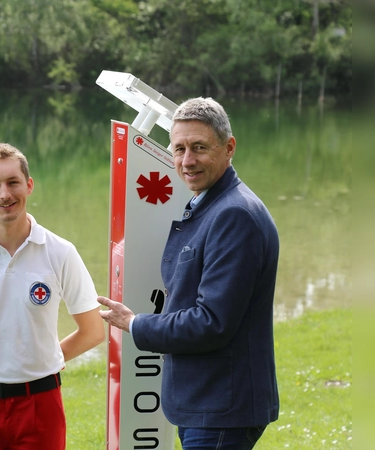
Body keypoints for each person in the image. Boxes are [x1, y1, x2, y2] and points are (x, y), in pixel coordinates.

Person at [98, 97, 280, 450]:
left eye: (199, 148)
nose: (186, 160)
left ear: (229, 148)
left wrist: (135, 323)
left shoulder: (234, 215)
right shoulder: (211, 202)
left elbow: (211, 321)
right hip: (207, 403)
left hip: (221, 407)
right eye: (179, 148)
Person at [0, 143, 105, 449]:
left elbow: (92, 332)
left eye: (13, 182)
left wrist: (41, 360)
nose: (5, 194)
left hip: (40, 403)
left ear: (29, 185)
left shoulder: (61, 252)